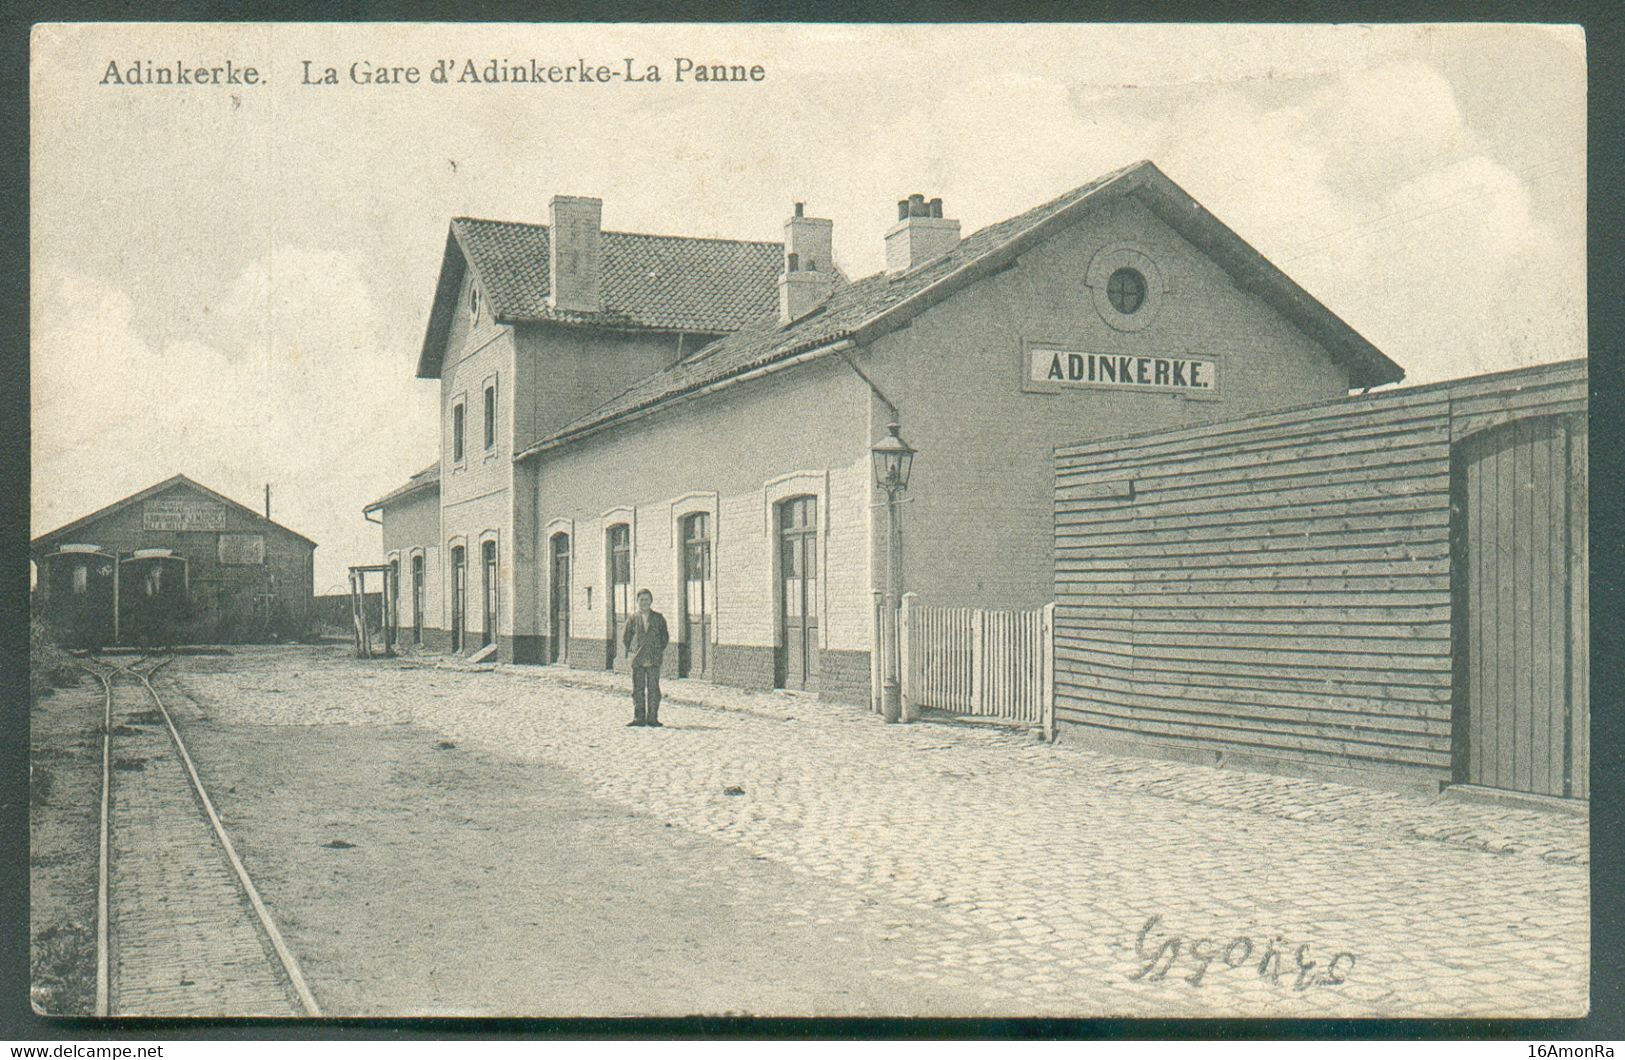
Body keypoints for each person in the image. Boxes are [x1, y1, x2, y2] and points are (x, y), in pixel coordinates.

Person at [622, 588, 670, 727]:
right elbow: (626, 637)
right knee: (638, 689)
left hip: (653, 659)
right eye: (641, 600)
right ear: (637, 601)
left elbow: (664, 637)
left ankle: (652, 718)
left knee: (653, 689)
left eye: (647, 600)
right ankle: (639, 718)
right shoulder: (632, 619)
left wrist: (657, 650)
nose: (644, 603)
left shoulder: (658, 618)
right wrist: (632, 650)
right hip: (638, 660)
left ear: (651, 601)